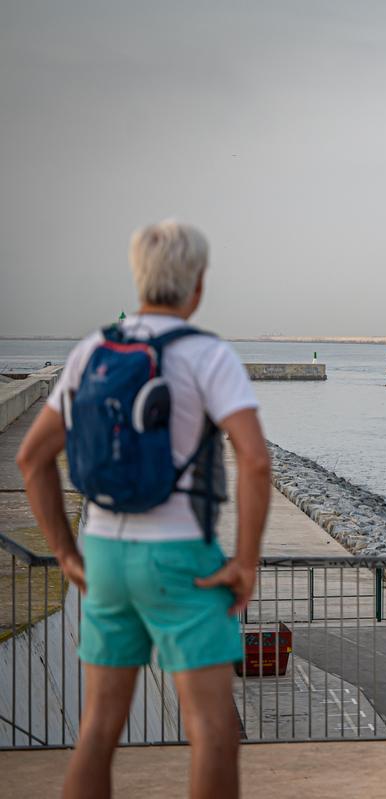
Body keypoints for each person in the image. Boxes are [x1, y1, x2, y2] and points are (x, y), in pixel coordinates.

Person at [16, 220, 272, 799]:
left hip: (105, 554)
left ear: (140, 278)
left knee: (98, 728)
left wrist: (65, 552)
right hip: (183, 558)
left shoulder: (91, 351)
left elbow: (32, 460)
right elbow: (254, 461)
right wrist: (247, 562)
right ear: (198, 285)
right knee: (211, 730)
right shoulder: (207, 355)